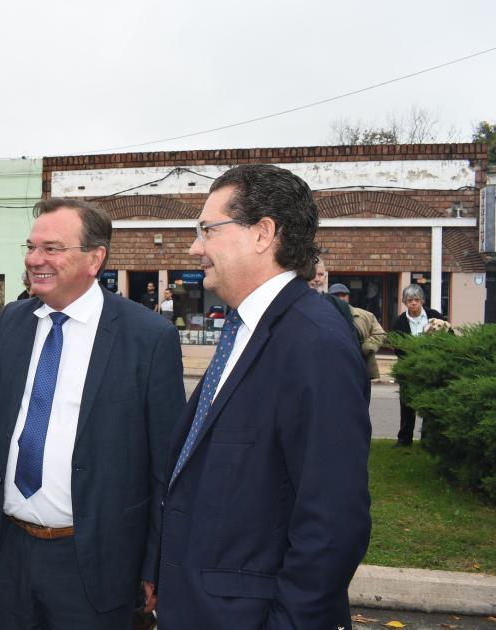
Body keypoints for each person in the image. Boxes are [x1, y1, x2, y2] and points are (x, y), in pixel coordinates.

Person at [158, 164, 371, 629]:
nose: (195, 247)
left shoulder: (313, 340)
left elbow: (332, 520)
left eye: (208, 230)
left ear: (263, 234)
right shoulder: (246, 329)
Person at [0, 198, 185, 630]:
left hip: (95, 559)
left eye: (52, 248)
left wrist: (154, 562)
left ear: (95, 258)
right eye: (30, 247)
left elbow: (167, 463)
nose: (34, 260)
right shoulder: (13, 321)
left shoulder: (148, 337)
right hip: (9, 550)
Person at [390, 283, 445, 447]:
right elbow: (397, 347)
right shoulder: (399, 322)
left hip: (431, 367)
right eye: (409, 300)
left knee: (429, 404)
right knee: (407, 405)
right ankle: (404, 439)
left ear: (422, 300)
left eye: (416, 299)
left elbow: (448, 336)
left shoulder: (434, 316)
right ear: (404, 302)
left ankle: (428, 440)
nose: (413, 303)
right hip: (409, 368)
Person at [329, 282, 387, 380]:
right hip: (332, 366)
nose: (340, 298)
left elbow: (380, 333)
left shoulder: (365, 316)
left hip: (360, 365)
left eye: (343, 295)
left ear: (348, 298)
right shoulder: (322, 317)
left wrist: (368, 346)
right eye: (336, 296)